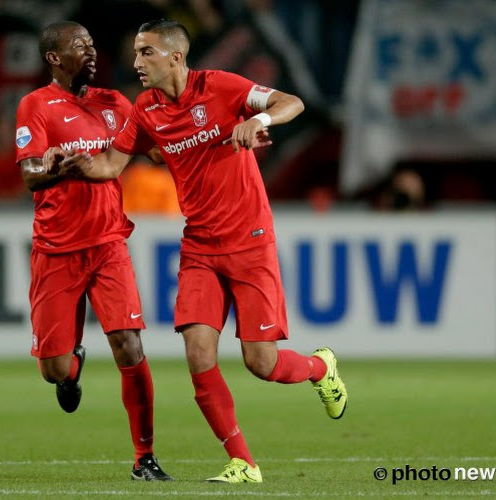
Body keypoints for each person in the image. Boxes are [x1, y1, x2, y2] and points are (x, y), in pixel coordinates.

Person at [46, 19, 348, 484]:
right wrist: (76, 164)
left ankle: (318, 367)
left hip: (249, 241)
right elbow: (112, 164)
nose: (136, 63)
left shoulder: (222, 87)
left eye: (146, 52)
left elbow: (293, 102)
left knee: (260, 363)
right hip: (200, 246)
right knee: (198, 352)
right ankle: (243, 462)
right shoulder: (145, 109)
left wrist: (257, 120)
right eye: (135, 53)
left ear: (175, 56)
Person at [15, 21, 172, 482]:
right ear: (54, 58)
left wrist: (211, 140)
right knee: (52, 369)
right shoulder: (35, 106)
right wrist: (66, 171)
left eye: (91, 44)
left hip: (108, 244)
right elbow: (29, 176)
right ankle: (72, 365)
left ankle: (145, 458)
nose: (90, 51)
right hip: (57, 249)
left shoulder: (114, 103)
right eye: (78, 46)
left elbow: (158, 152)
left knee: (130, 344)